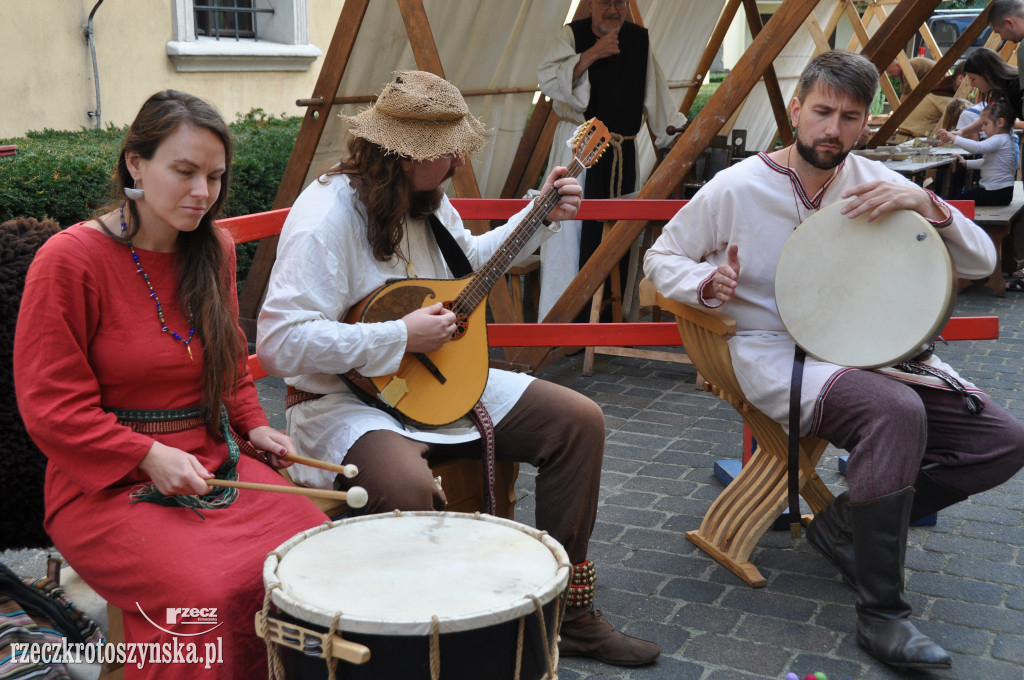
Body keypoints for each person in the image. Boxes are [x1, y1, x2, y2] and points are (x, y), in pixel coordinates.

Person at [256, 70, 661, 667]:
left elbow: (467, 265)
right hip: (344, 402)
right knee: (407, 488)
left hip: (438, 380)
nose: (454, 162)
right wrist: (398, 335)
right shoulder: (326, 218)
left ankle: (568, 615)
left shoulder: (426, 198)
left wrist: (538, 216)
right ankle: (429, 638)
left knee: (578, 420)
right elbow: (279, 342)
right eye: (443, 151)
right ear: (402, 153)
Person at [644, 50, 1024, 672]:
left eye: (850, 117)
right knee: (895, 412)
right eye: (822, 112)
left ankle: (846, 522)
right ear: (796, 110)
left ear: (865, 123)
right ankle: (882, 616)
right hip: (774, 354)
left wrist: (926, 207)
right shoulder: (738, 187)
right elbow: (663, 258)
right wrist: (707, 286)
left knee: (1003, 441)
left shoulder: (877, 183)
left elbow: (982, 262)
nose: (833, 130)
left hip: (871, 353)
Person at [13, 90, 329, 679]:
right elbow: (50, 407)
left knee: (315, 557)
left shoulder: (214, 248)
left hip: (215, 464)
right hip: (103, 485)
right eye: (184, 171)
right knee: (202, 600)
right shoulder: (69, 260)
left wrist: (255, 425)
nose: (202, 193)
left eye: (214, 176)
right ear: (136, 163)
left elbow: (229, 369)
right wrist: (148, 454)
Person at [535, 0, 687, 320]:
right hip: (578, 154)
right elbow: (549, 80)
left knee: (618, 240)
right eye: (605, 2)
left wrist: (675, 135)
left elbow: (658, 99)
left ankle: (607, 321)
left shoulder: (638, 41)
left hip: (621, 156)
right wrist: (593, 53)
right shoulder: (571, 37)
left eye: (620, 2)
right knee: (571, 239)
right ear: (591, 3)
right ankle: (564, 325)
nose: (613, 10)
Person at [939, 100, 1018, 206]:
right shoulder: (1002, 139)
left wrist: (954, 138)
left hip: (996, 192)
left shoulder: (1000, 139)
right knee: (958, 200)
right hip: (998, 191)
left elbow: (978, 147)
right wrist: (966, 163)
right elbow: (987, 162)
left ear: (1000, 122)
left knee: (956, 203)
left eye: (985, 124)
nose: (982, 128)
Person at [884, 56, 954, 139]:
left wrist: (897, 118)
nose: (890, 76)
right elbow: (904, 94)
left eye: (891, 72)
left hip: (939, 85)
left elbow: (905, 99)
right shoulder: (904, 71)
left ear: (898, 66)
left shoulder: (907, 70)